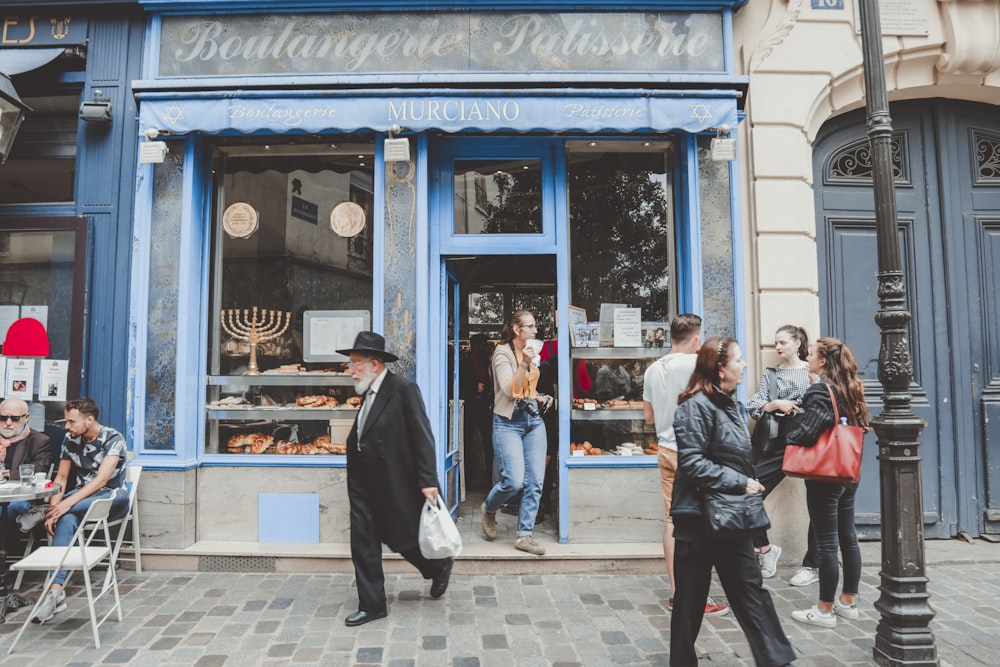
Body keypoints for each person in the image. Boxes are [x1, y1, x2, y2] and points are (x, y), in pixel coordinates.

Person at [671, 337, 796, 667]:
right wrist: (741, 483)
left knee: (752, 594)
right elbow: (693, 464)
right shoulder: (694, 406)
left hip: (733, 520)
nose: (744, 366)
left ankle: (776, 659)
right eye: (739, 360)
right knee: (689, 604)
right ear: (720, 368)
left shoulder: (732, 406)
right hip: (698, 521)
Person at [338, 331, 453, 627]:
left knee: (402, 536)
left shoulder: (403, 389)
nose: (350, 370)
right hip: (363, 483)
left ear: (374, 364)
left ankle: (438, 566)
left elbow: (422, 437)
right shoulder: (366, 392)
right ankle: (372, 604)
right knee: (362, 542)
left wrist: (429, 479)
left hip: (394, 481)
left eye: (355, 364)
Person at [642, 314, 729, 617]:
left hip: (665, 448)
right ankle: (697, 597)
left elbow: (649, 417)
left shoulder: (653, 369)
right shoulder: (697, 366)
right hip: (694, 452)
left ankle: (678, 593)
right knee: (700, 524)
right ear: (695, 339)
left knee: (672, 520)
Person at [787, 337, 869, 629]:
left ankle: (824, 610)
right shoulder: (851, 387)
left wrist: (792, 430)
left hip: (825, 476)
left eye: (811, 354)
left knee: (826, 542)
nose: (806, 357)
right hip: (849, 472)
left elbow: (808, 433)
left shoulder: (821, 390)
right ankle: (849, 601)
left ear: (822, 361)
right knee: (848, 538)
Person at [34, 397, 129, 624]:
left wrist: (62, 505)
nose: (66, 427)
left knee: (66, 511)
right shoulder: (70, 439)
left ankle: (37, 514)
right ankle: (55, 592)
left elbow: (101, 480)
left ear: (90, 419)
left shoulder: (113, 438)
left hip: (111, 497)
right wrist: (54, 506)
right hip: (80, 501)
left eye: (71, 422)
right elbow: (62, 477)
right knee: (66, 519)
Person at [746, 325, 818, 581]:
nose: (777, 347)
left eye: (782, 342)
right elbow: (753, 405)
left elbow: (824, 405)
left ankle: (813, 564)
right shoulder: (772, 374)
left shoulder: (813, 372)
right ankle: (765, 548)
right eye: (775, 343)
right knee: (749, 491)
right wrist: (775, 404)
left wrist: (805, 401)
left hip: (809, 440)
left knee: (819, 503)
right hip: (778, 444)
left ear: (797, 343)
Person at [481, 310, 551, 556]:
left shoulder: (532, 351)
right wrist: (524, 363)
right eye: (530, 327)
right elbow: (510, 391)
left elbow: (527, 388)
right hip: (507, 422)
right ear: (516, 330)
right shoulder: (502, 353)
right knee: (513, 480)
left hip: (533, 422)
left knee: (535, 482)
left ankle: (524, 536)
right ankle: (489, 508)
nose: (535, 331)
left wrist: (540, 397)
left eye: (535, 326)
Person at [1, 398, 53, 535]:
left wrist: (8, 475)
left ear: (26, 417)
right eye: (3, 418)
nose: (8, 423)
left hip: (19, 496)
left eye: (15, 418)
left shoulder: (39, 441)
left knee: (13, 507)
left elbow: (39, 469)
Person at [460, 333, 495, 486]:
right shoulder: (465, 364)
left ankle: (490, 477)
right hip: (470, 408)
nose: (485, 347)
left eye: (486, 344)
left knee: (489, 442)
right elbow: (459, 387)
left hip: (485, 408)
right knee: (466, 442)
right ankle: (466, 479)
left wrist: (487, 392)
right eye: (482, 344)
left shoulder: (489, 363)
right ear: (474, 347)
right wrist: (474, 391)